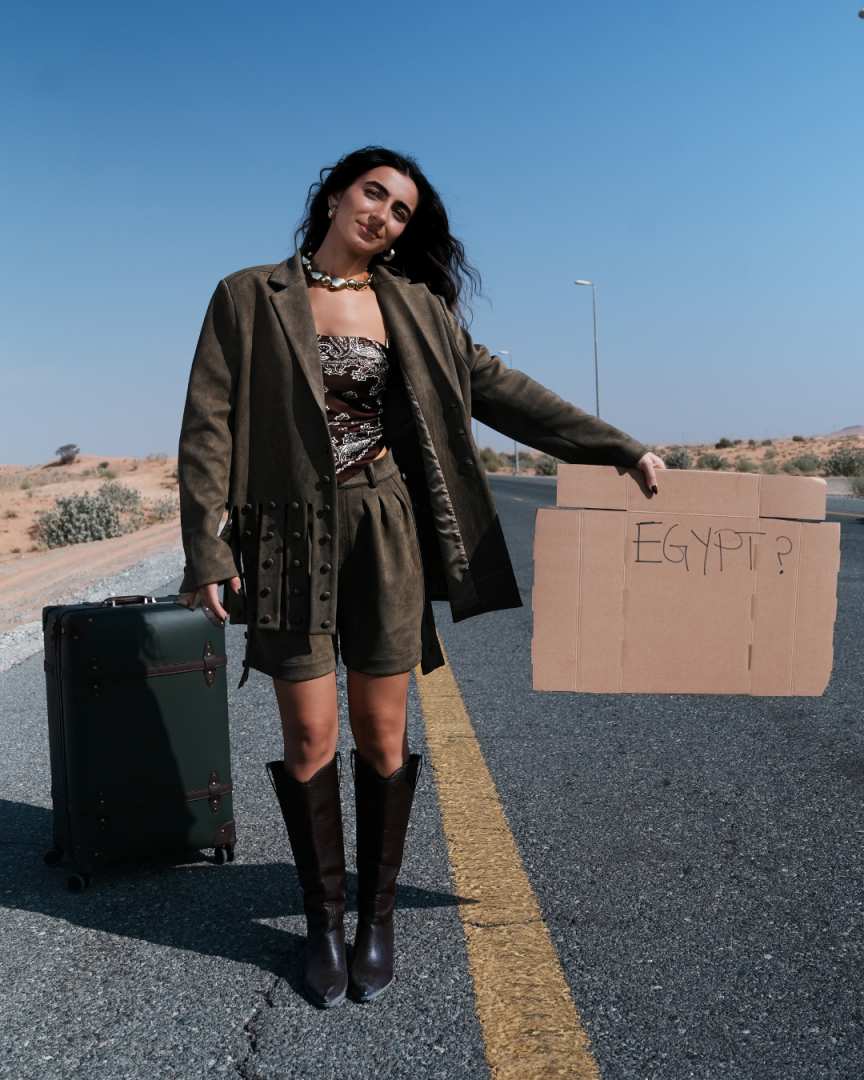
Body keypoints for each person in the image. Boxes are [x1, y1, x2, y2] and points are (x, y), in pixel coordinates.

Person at [176, 145, 665, 1010]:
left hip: (387, 529)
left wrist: (618, 446)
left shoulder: (417, 307)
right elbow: (208, 425)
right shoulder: (248, 294)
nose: (383, 216)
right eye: (373, 195)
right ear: (333, 195)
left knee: (383, 734)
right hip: (289, 537)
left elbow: (504, 391)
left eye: (401, 211)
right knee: (308, 738)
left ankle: (375, 917)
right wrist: (206, 550)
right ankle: (321, 921)